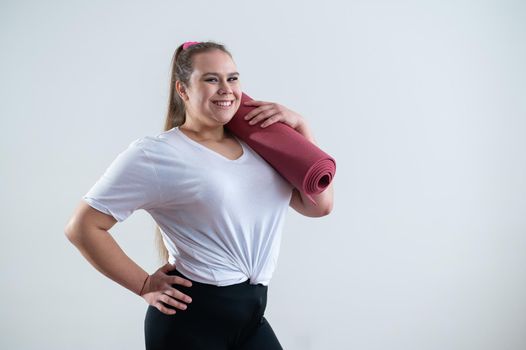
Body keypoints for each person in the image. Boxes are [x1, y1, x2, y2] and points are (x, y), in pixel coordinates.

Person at [64, 40, 334, 350]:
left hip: (251, 318)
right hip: (191, 323)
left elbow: (321, 206)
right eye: (211, 79)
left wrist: (301, 130)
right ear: (183, 90)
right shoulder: (156, 154)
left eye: (232, 78)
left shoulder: (261, 145)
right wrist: (144, 285)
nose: (226, 89)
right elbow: (82, 227)